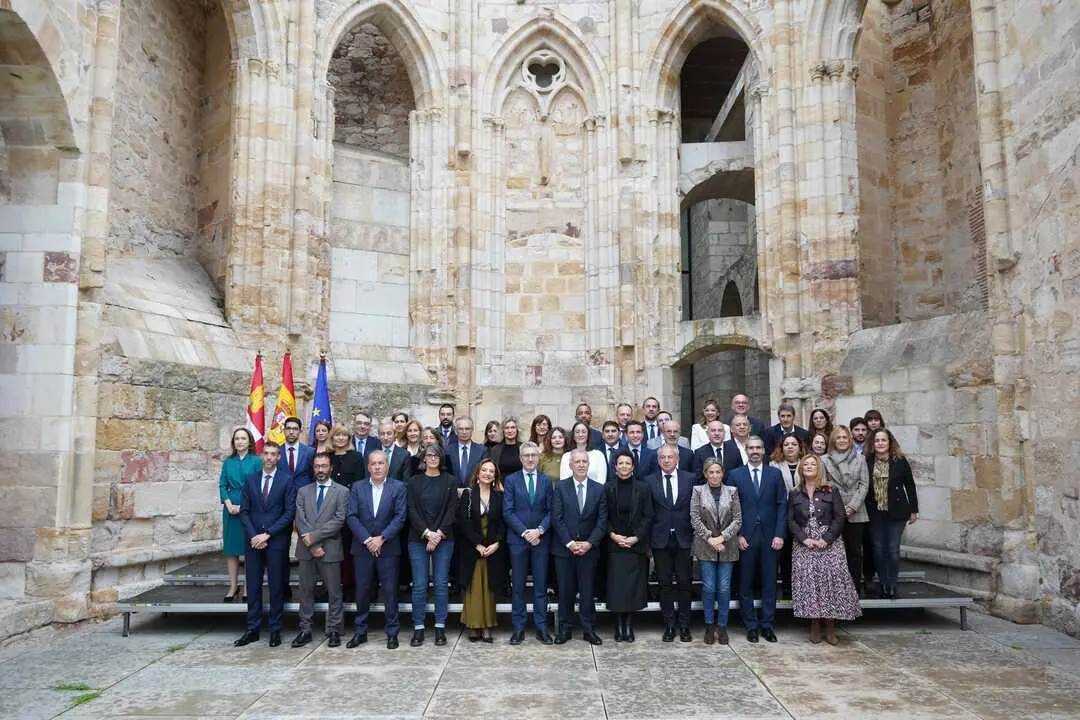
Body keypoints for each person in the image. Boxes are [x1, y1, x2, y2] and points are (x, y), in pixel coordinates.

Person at [789, 454, 862, 644]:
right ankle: (814, 624)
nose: (809, 466)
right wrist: (804, 539)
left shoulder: (831, 490)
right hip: (805, 544)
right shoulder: (795, 492)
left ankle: (830, 625)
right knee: (811, 585)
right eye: (806, 464)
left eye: (813, 464)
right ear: (801, 469)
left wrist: (826, 539)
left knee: (830, 583)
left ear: (819, 468)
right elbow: (790, 520)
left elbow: (840, 517)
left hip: (829, 543)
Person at [235, 442, 296, 648]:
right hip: (253, 541)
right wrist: (254, 535)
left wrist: (267, 534)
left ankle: (275, 630)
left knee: (276, 586)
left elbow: (289, 513)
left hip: (276, 541)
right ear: (262, 455)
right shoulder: (251, 480)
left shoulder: (287, 481)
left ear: (279, 457)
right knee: (253, 586)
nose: (269, 457)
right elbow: (244, 511)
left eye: (273, 454)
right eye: (267, 453)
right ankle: (252, 629)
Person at [346, 449, 408, 649]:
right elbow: (352, 516)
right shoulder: (357, 487)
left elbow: (400, 516)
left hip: (388, 548)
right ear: (368, 466)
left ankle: (392, 633)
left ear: (387, 466)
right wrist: (367, 540)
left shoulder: (398, 487)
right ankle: (360, 631)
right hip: (362, 549)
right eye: (373, 463)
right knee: (362, 592)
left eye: (381, 463)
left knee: (390, 592)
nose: (377, 467)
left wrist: (381, 539)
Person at [729, 436, 787, 643]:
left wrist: (780, 533)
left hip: (771, 537)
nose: (755, 451)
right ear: (746, 450)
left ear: (764, 451)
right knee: (745, 583)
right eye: (751, 448)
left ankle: (768, 625)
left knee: (769, 583)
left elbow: (782, 505)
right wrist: (737, 535)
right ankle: (751, 626)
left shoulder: (775, 474)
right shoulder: (735, 475)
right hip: (746, 537)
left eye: (758, 448)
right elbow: (730, 508)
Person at [291, 452, 349, 648]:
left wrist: (315, 539)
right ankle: (305, 629)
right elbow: (300, 519)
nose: (321, 470)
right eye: (317, 466)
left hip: (330, 549)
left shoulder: (341, 491)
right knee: (305, 591)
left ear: (331, 467)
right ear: (313, 468)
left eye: (324, 466)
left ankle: (334, 630)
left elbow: (339, 519)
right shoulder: (303, 491)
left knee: (334, 592)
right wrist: (312, 545)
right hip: (306, 550)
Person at [552, 449, 607, 645]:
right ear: (570, 465)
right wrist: (570, 543)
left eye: (584, 461)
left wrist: (589, 543)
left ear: (589, 464)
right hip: (564, 549)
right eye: (577, 462)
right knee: (565, 591)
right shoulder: (560, 487)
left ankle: (588, 629)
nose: (581, 464)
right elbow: (556, 518)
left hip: (589, 549)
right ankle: (564, 630)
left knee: (587, 591)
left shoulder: (599, 489)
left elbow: (602, 521)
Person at [406, 443, 458, 646]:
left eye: (437, 455)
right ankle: (418, 627)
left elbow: (452, 509)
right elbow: (411, 510)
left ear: (441, 459)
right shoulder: (413, 481)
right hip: (418, 538)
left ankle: (439, 627)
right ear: (424, 459)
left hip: (444, 538)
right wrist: (427, 533)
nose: (433, 458)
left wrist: (437, 534)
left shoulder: (450, 481)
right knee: (419, 585)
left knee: (440, 584)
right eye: (429, 455)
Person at [503, 441, 554, 645]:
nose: (531, 458)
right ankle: (518, 628)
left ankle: (542, 628)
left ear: (538, 457)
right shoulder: (511, 480)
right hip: (518, 540)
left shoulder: (546, 480)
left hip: (541, 540)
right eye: (527, 455)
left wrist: (540, 530)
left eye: (534, 455)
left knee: (540, 586)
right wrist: (525, 532)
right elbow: (508, 511)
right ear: (521, 458)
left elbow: (552, 510)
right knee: (518, 586)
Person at [646, 445, 696, 642]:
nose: (667, 460)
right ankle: (668, 625)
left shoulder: (690, 479)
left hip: (684, 539)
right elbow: (648, 514)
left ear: (677, 459)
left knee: (685, 584)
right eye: (663, 457)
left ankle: (684, 626)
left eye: (670, 457)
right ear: (658, 460)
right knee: (665, 584)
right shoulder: (649, 481)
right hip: (660, 540)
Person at [690, 458, 742, 645]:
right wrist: (711, 539)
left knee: (724, 588)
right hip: (706, 546)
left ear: (723, 473)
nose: (714, 475)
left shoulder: (732, 491)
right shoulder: (698, 491)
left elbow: (738, 519)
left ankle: (722, 626)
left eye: (717, 472)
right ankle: (709, 625)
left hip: (727, 546)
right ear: (705, 474)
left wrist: (722, 538)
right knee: (709, 587)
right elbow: (694, 518)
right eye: (710, 472)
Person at [456, 458, 507, 642]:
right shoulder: (469, 495)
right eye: (484, 470)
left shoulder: (500, 496)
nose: (487, 473)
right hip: (473, 548)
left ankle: (487, 626)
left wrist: (497, 543)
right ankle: (472, 625)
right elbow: (462, 522)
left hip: (493, 548)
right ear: (477, 473)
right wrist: (477, 544)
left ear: (495, 476)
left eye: (491, 471)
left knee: (488, 586)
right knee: (474, 587)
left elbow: (504, 522)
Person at [605, 450, 652, 643]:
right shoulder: (607, 488)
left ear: (633, 466)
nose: (624, 466)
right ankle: (618, 625)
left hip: (635, 545)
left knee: (633, 589)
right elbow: (603, 516)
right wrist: (614, 535)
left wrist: (635, 537)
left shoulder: (643, 488)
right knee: (617, 589)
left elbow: (648, 515)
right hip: (615, 545)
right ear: (615, 466)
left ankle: (629, 625)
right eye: (620, 463)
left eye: (627, 463)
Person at [865, 428, 919, 599]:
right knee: (879, 550)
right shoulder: (867, 461)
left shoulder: (900, 461)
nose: (880, 443)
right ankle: (883, 583)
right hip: (874, 512)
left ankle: (892, 584)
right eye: (877, 440)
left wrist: (913, 509)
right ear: (873, 444)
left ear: (890, 443)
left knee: (893, 549)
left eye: (883, 440)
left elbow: (910, 485)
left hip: (896, 512)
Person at [822, 425, 870, 596]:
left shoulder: (860, 459)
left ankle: (854, 590)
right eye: (838, 437)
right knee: (833, 553)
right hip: (833, 515)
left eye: (845, 437)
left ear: (849, 440)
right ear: (833, 440)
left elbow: (864, 485)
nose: (842, 440)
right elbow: (823, 485)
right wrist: (838, 510)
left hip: (856, 513)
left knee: (855, 552)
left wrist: (851, 507)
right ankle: (835, 591)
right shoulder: (824, 460)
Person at [219, 427, 261, 602]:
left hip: (250, 507)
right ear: (233, 442)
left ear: (250, 441)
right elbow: (222, 485)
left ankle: (247, 587)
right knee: (231, 550)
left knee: (248, 549)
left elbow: (259, 484)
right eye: (237, 439)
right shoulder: (228, 462)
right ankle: (233, 586)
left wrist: (243, 506)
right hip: (230, 509)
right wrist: (228, 504)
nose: (240, 441)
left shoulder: (257, 461)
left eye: (243, 438)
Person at [770, 434, 805, 596]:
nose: (790, 447)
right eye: (786, 444)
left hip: (804, 515)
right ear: (781, 448)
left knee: (802, 553)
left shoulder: (807, 464)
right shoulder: (774, 466)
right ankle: (787, 588)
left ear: (800, 447)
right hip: (782, 515)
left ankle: (802, 587)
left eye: (794, 444)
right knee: (785, 554)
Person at [446, 416, 488, 488]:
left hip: (475, 492)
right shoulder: (447, 450)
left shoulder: (482, 450)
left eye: (467, 429)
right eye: (461, 429)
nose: (464, 432)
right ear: (456, 431)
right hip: (453, 493)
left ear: (472, 430)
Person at [279, 416, 315, 489]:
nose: (291, 432)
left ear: (300, 431)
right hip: (282, 495)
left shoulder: (310, 452)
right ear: (284, 430)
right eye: (288, 428)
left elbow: (313, 475)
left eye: (295, 429)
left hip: (304, 495)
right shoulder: (277, 452)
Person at [328, 423, 363, 488]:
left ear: (349, 438)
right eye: (337, 435)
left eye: (344, 435)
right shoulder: (327, 456)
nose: (341, 438)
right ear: (332, 437)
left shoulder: (357, 457)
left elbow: (359, 482)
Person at [352, 412, 375, 480]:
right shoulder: (346, 443)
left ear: (370, 426)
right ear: (354, 424)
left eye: (366, 424)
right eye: (359, 423)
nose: (362, 426)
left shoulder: (377, 444)